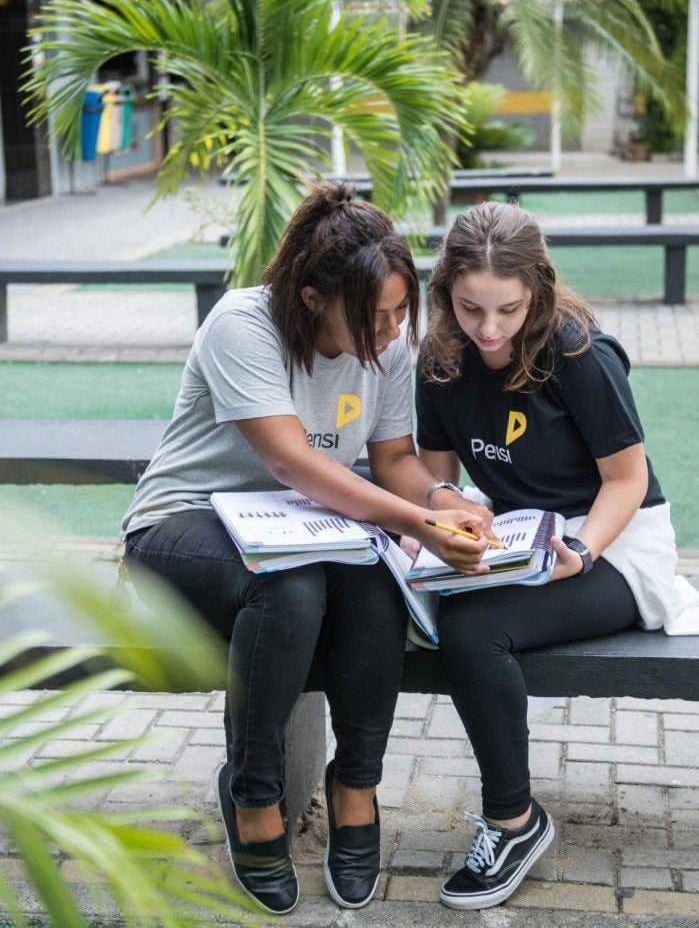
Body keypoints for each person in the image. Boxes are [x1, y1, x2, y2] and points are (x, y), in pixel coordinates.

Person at [120, 182, 492, 916]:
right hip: (181, 526)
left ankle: (356, 786)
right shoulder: (243, 324)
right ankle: (254, 797)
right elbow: (293, 464)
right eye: (374, 316)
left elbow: (392, 460)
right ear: (313, 296)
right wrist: (414, 525)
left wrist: (442, 502)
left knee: (375, 583)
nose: (391, 330)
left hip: (302, 529)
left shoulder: (386, 345)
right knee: (288, 588)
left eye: (399, 312)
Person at [412, 200, 685, 911]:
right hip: (519, 531)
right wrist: (446, 509)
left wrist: (582, 552)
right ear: (445, 293)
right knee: (395, 601)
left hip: (616, 543)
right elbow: (436, 474)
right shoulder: (440, 357)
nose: (488, 328)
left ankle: (513, 823)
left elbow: (626, 481)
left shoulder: (579, 355)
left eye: (507, 309)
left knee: (475, 630)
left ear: (535, 290)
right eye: (470, 308)